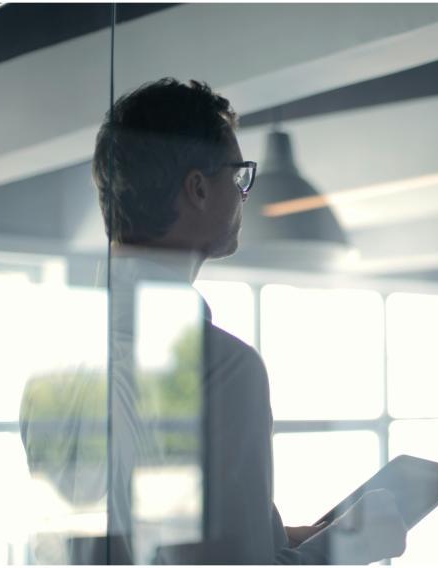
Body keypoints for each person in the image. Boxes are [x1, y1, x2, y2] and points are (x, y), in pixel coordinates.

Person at [23, 77, 406, 564]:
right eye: (239, 175)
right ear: (198, 188)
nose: (245, 193)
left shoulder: (51, 368)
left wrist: (281, 536)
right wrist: (352, 546)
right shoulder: (220, 368)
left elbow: (143, 543)